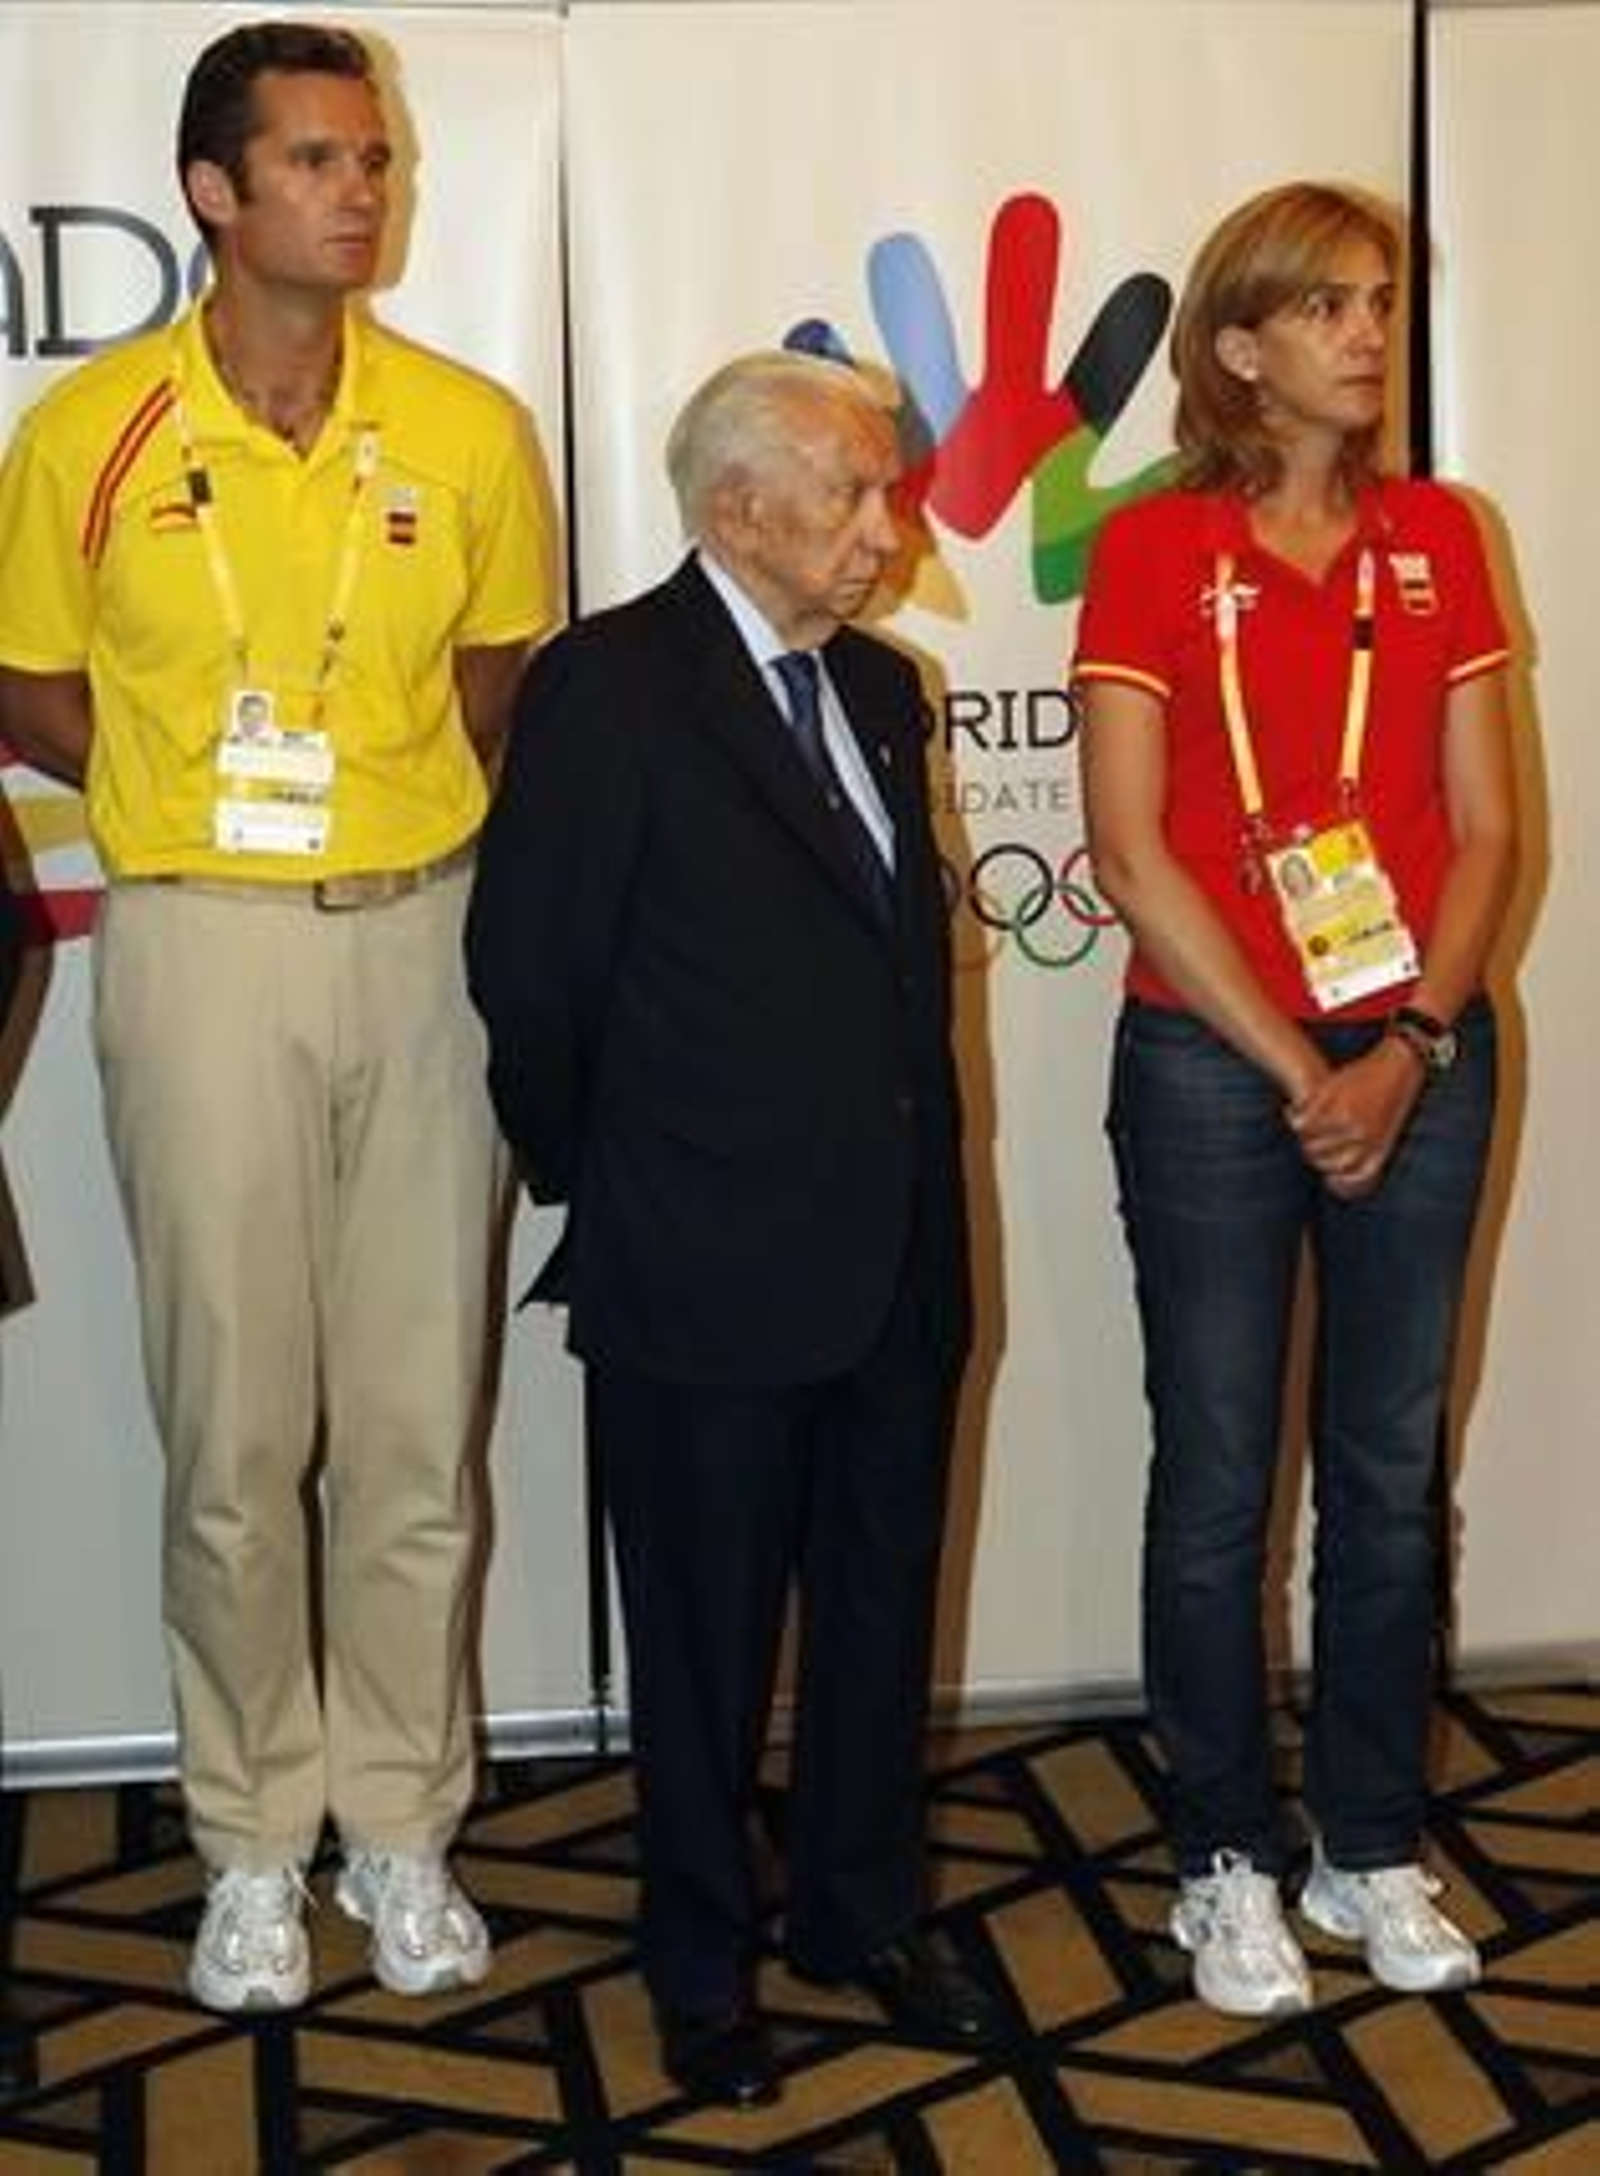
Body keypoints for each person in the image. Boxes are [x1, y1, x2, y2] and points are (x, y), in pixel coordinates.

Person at [0, 21, 552, 2013]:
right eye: (316, 160)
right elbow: (34, 686)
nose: (360, 189)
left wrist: (381, 809)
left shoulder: (470, 426)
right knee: (235, 1431)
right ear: (213, 193)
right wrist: (183, 792)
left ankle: (400, 1824)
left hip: (424, 940)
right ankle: (249, 1838)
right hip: (200, 939)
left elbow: (501, 680)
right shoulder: (88, 434)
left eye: (376, 158)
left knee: (416, 1420)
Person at [466, 351, 1002, 2105]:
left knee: (874, 1610)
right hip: (693, 1257)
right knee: (698, 1647)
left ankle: (857, 1911)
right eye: (851, 494)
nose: (886, 527)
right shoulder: (610, 688)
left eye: (887, 490)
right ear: (731, 509)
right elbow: (530, 978)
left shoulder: (889, 687)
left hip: (894, 1252)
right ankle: (701, 1964)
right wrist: (613, 1188)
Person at [1074, 182, 1517, 2017]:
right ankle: (1223, 1858)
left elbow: (1492, 831)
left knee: (1393, 1476)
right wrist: (1300, 1068)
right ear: (1239, 349)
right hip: (1209, 1060)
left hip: (1419, 1047)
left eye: (1381, 301)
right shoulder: (1154, 554)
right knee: (1219, 1475)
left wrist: (1404, 1045)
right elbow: (1126, 849)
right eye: (1327, 305)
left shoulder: (1442, 536)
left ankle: (1369, 1843)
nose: (1368, 333)